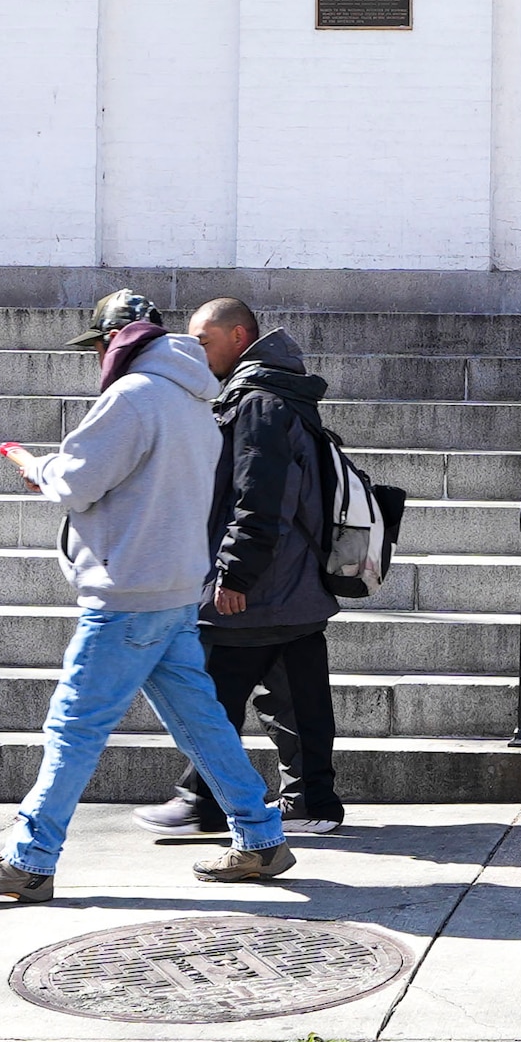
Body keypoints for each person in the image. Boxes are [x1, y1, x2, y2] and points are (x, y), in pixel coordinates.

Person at [0, 287, 297, 902]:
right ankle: (261, 837)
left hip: (126, 593)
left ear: (116, 340)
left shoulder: (132, 397)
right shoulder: (193, 396)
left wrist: (34, 465)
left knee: (74, 728)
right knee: (202, 723)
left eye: (100, 344)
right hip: (172, 589)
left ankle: (30, 859)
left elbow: (76, 481)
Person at [142, 295, 349, 839]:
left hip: (261, 586)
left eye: (204, 340)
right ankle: (311, 802)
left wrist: (234, 573)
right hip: (291, 582)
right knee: (295, 698)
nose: (194, 350)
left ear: (238, 337)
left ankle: (203, 800)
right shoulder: (276, 394)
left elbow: (258, 497)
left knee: (208, 695)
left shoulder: (258, 401)